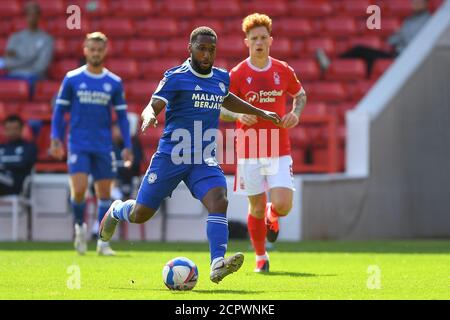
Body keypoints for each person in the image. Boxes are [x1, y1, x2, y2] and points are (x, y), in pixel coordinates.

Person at [99, 27, 281, 284]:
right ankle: (117, 211)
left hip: (203, 158)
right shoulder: (176, 77)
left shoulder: (220, 77)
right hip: (171, 156)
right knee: (141, 214)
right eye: (202, 49)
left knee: (219, 199)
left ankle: (217, 263)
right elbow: (154, 104)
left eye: (211, 50)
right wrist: (150, 115)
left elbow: (226, 99)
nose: (207, 54)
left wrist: (261, 112)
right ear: (190, 48)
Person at [220, 13, 307, 273]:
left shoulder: (283, 69)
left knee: (283, 205)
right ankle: (260, 256)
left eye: (262, 37)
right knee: (255, 207)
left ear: (271, 40)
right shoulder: (237, 73)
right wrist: (236, 114)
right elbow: (219, 107)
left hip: (279, 147)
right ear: (246, 42)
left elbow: (300, 94)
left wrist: (296, 113)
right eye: (253, 38)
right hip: (249, 149)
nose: (258, 42)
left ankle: (274, 213)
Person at [50, 32, 133, 256]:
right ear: (85, 50)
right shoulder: (73, 79)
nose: (96, 53)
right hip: (78, 143)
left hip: (103, 145)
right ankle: (79, 227)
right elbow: (59, 112)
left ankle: (102, 242)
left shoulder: (113, 82)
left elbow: (122, 118)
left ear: (105, 51)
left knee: (104, 194)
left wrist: (127, 145)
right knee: (78, 192)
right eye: (92, 49)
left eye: (99, 49)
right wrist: (55, 138)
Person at [317, 0, 432, 77]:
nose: (414, 3)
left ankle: (332, 64)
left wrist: (398, 37)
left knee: (360, 50)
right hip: (396, 54)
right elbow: (394, 39)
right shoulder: (410, 20)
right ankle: (333, 67)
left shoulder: (428, 21)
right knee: (367, 60)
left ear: (425, 3)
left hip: (401, 58)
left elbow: (412, 41)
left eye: (418, 1)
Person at [0, 1, 54, 81]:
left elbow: (41, 66)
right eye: (29, 14)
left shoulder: (47, 39)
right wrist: (30, 60)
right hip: (13, 75)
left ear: (39, 16)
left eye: (34, 14)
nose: (32, 17)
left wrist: (18, 59)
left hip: (33, 77)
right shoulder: (15, 37)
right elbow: (7, 62)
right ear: (25, 17)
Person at [0, 115, 37, 196]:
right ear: (5, 130)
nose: (12, 132)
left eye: (15, 128)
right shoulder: (1, 147)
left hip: (16, 184)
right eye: (9, 129)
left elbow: (23, 165)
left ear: (21, 129)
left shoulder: (29, 147)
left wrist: (4, 167)